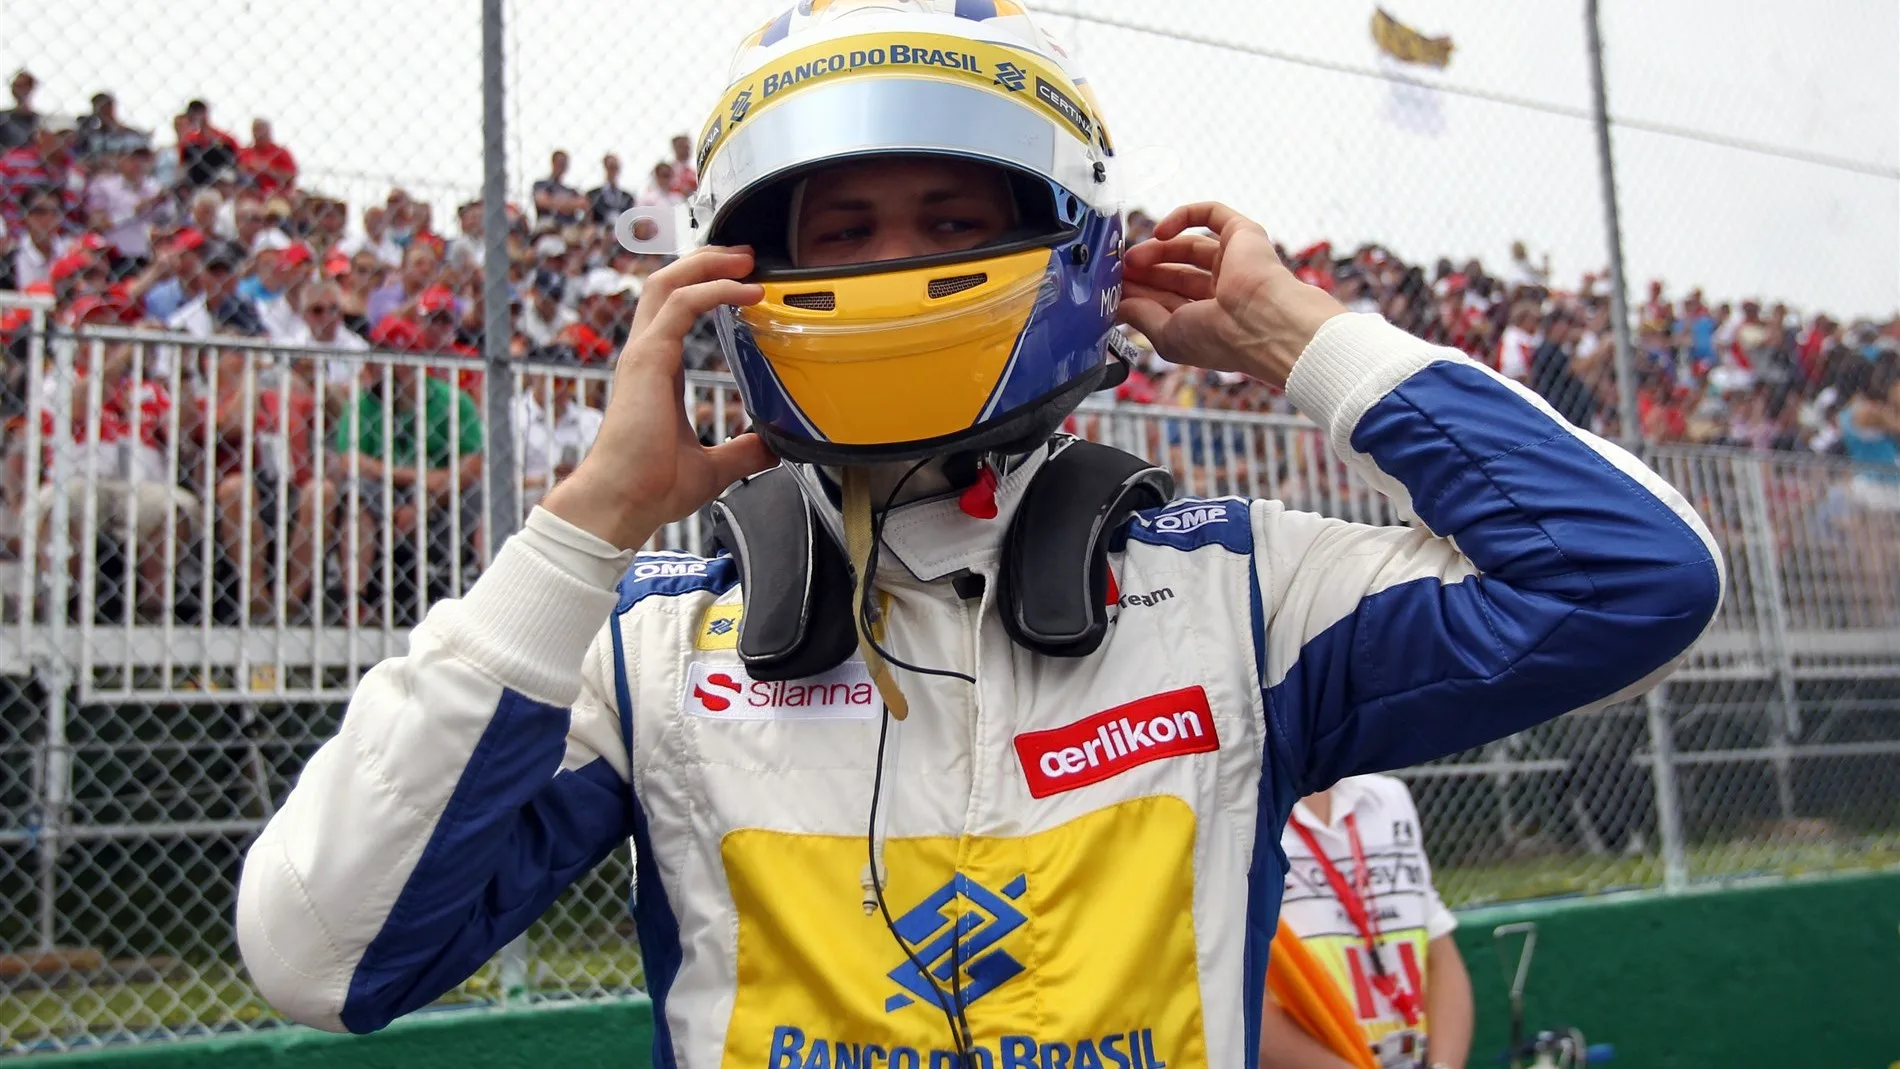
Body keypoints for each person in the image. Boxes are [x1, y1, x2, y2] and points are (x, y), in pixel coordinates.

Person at [235, 4, 1724, 1068]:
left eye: (954, 222)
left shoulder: (1240, 596)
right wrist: (586, 527)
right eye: (849, 229)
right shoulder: (653, 650)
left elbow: (1635, 579)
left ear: (1070, 246)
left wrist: (1289, 330)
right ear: (744, 272)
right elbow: (321, 958)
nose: (903, 265)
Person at [1263, 777, 1471, 1069]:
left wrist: (1443, 1065)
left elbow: (1441, 957)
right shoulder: (1237, 818)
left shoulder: (1387, 797)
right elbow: (1232, 998)